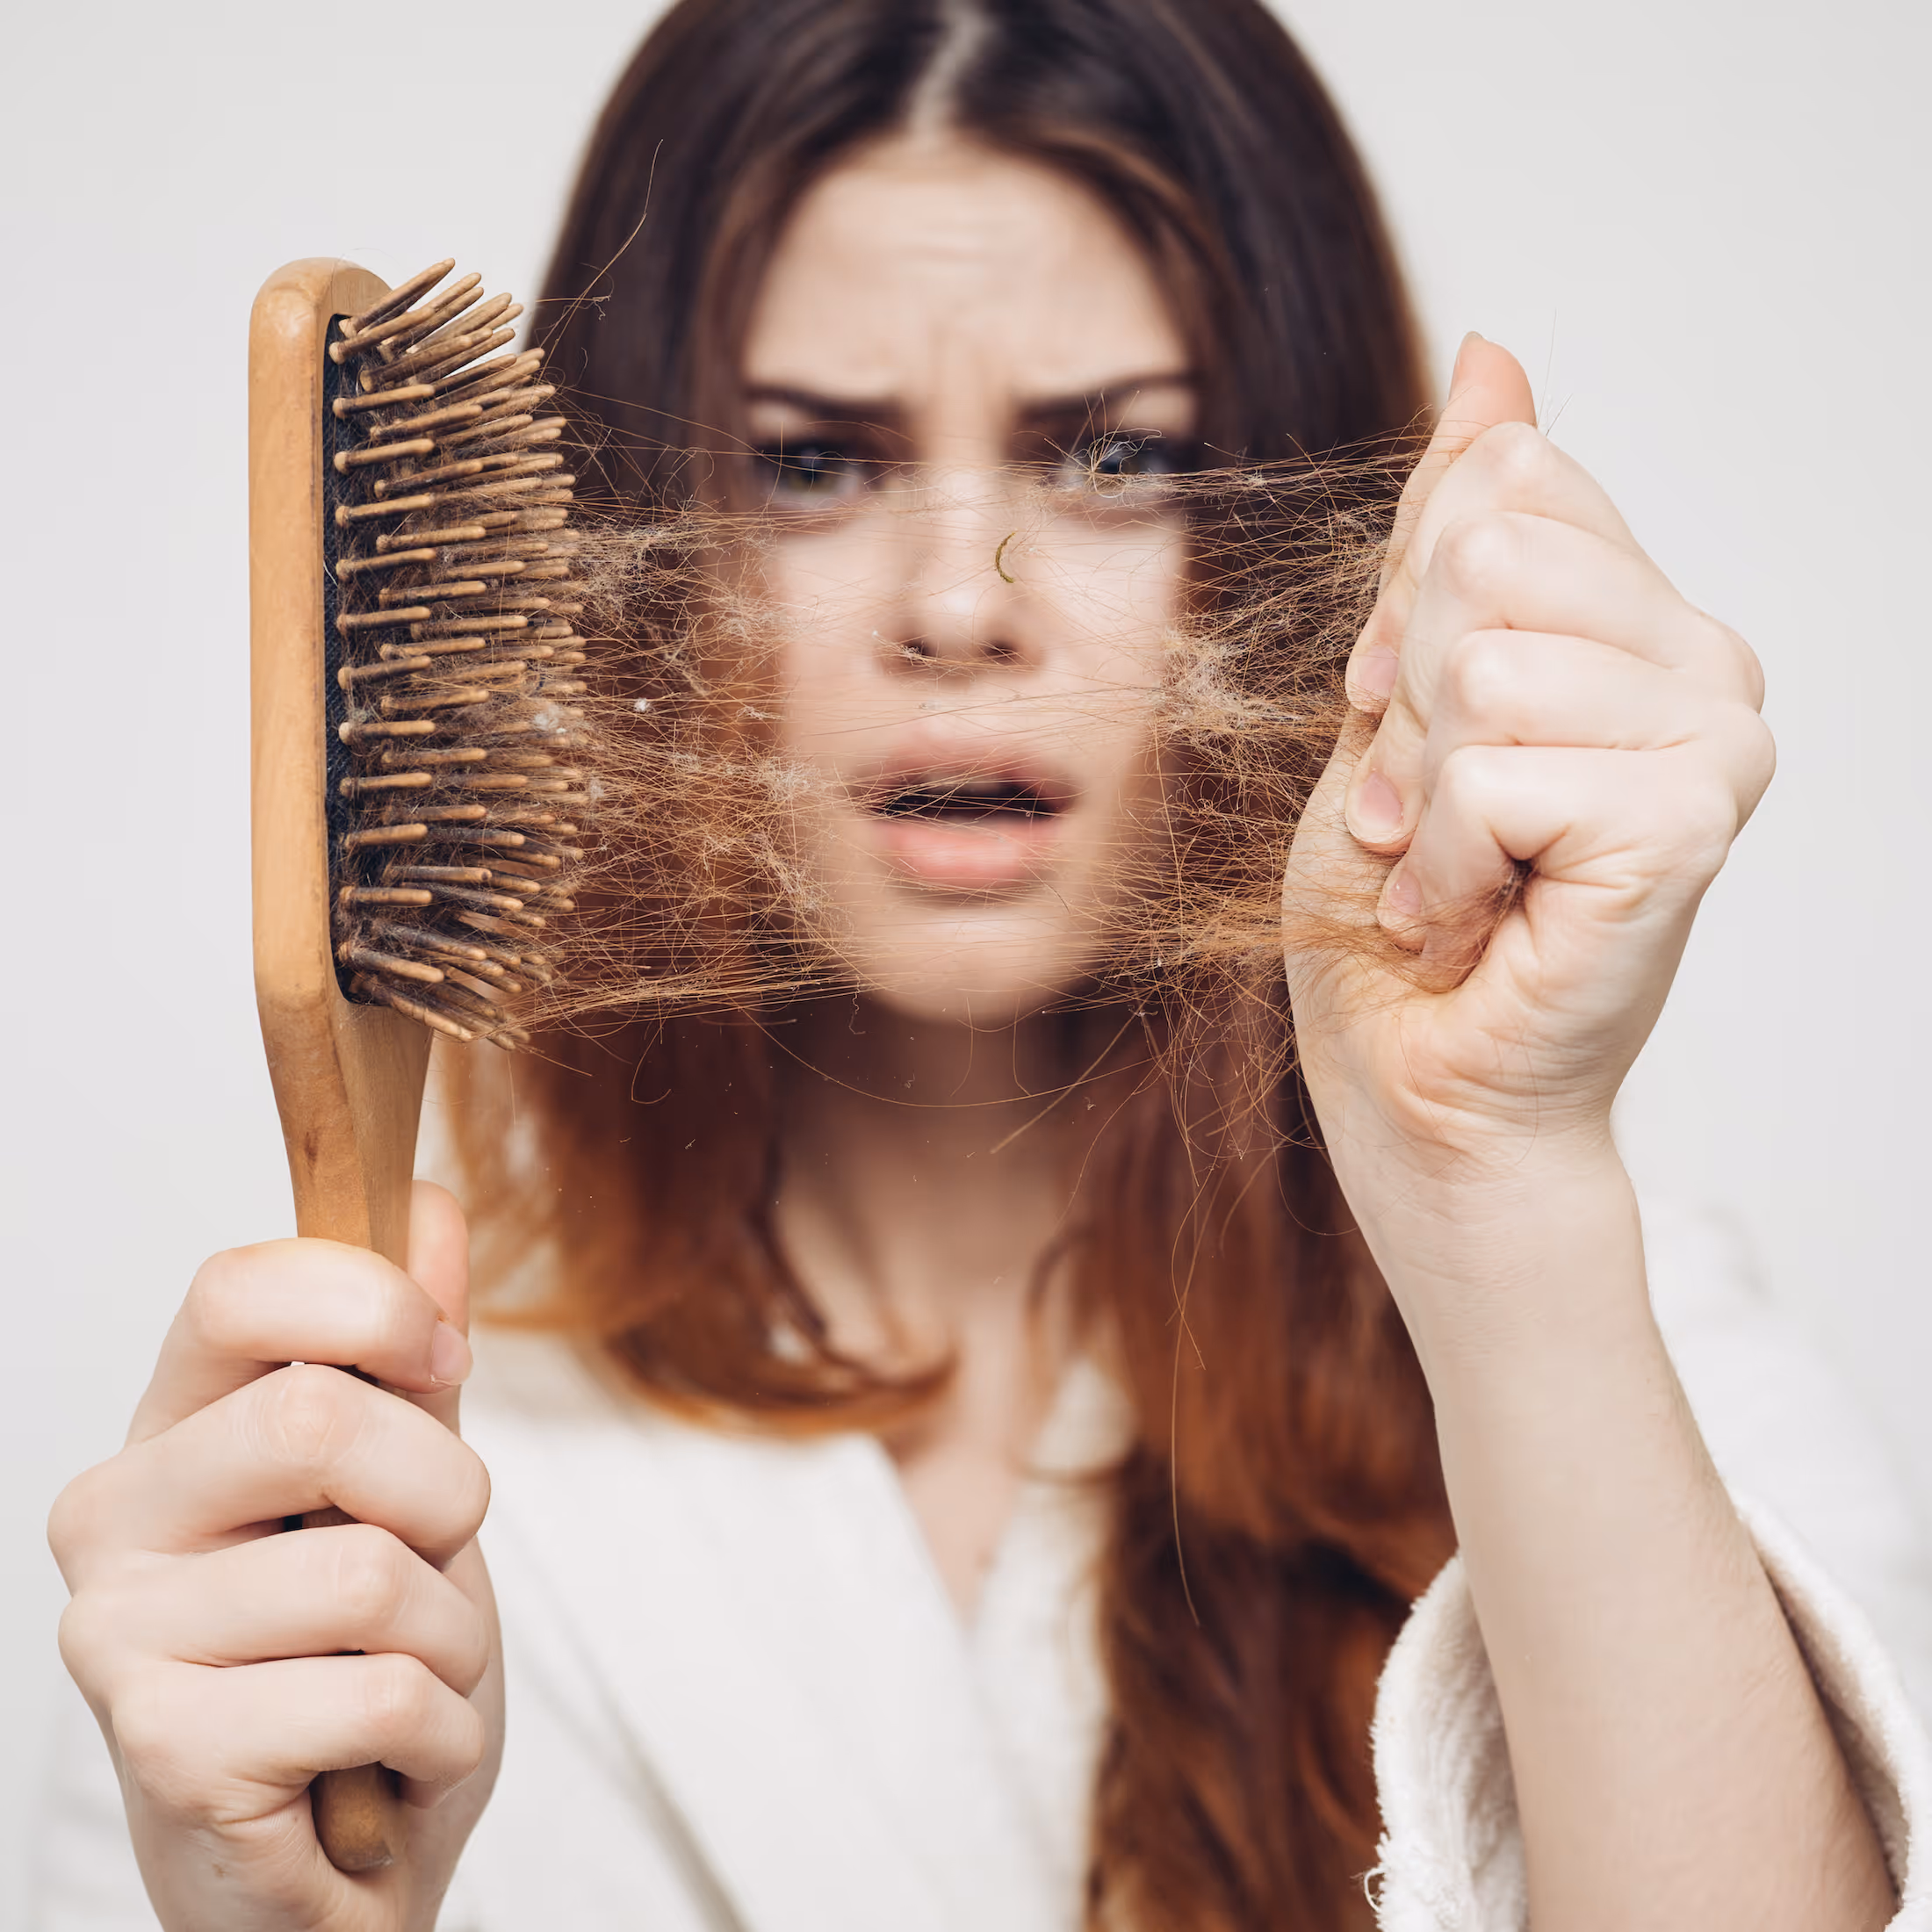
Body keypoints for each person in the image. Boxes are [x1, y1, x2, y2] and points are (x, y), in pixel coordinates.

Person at [40, 3, 1932, 1928]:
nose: (958, 605)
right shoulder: (349, 1518)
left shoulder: (1610, 1351)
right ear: (613, 543)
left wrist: (1489, 1185)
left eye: (1113, 453)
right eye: (805, 465)